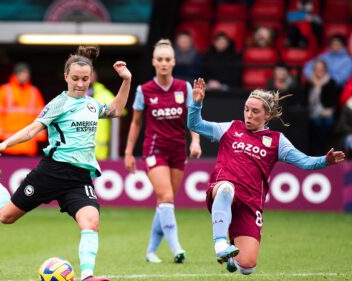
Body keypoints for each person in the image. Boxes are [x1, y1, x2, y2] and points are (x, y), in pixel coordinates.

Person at [0, 46, 131, 281]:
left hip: (80, 178)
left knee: (91, 222)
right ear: (66, 77)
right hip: (52, 172)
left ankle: (87, 276)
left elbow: (115, 109)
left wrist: (126, 80)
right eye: (75, 79)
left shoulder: (92, 104)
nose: (81, 84)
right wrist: (5, 144)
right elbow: (33, 129)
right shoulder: (58, 104)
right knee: (6, 216)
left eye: (85, 79)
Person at [187, 78, 345, 275]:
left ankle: (232, 257)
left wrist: (324, 160)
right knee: (227, 188)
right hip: (223, 189)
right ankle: (220, 243)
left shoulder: (277, 142)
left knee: (247, 267)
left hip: (250, 203)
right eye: (246, 109)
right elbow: (194, 124)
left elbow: (304, 162)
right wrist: (197, 103)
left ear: (267, 115)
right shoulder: (230, 128)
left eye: (255, 111)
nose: (248, 115)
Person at [124, 39, 202, 264]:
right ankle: (176, 247)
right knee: (166, 196)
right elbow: (136, 123)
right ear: (153, 62)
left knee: (164, 201)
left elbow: (192, 118)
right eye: (160, 60)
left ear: (174, 62)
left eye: (168, 59)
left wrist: (195, 141)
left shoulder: (184, 88)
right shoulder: (144, 90)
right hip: (154, 149)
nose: (164, 63)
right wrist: (129, 152)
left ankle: (150, 251)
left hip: (178, 149)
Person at [0, 62, 46, 156]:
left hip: (29, 144)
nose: (25, 76)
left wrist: (41, 135)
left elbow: (42, 115)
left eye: (27, 74)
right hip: (9, 143)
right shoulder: (4, 90)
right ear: (15, 75)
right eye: (22, 73)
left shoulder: (34, 92)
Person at [304, 60, 340, 155]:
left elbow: (333, 101)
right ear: (314, 70)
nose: (319, 70)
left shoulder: (331, 82)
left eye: (321, 68)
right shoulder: (309, 83)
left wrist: (322, 109)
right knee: (317, 122)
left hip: (327, 111)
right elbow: (305, 100)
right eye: (317, 68)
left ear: (325, 70)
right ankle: (319, 150)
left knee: (328, 122)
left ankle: (325, 148)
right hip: (312, 112)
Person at [87, 69, 122, 160]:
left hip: (100, 154)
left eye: (89, 75)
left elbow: (118, 112)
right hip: (77, 153)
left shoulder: (103, 94)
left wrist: (114, 153)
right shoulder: (72, 96)